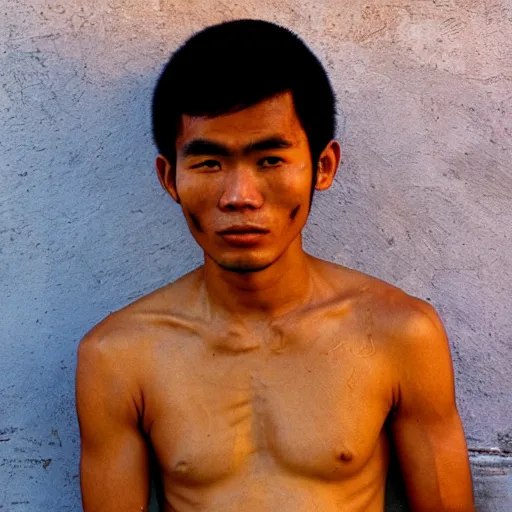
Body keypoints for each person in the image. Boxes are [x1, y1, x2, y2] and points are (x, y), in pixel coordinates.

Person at [75, 19, 475, 512]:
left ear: (323, 167)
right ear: (169, 176)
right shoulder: (118, 356)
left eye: (269, 160)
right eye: (208, 163)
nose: (239, 197)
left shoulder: (400, 334)